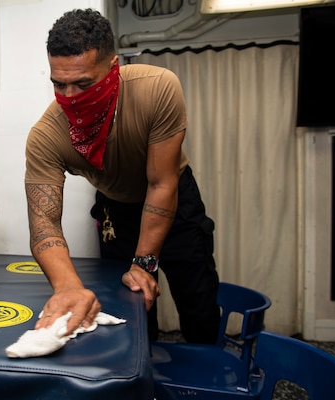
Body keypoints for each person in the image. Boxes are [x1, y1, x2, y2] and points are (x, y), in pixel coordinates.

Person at [25, 8, 220, 344]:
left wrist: (145, 262)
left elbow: (161, 182)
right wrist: (69, 287)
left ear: (113, 68)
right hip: (116, 207)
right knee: (132, 311)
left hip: (174, 198)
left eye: (83, 84)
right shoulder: (46, 135)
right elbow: (45, 223)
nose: (70, 97)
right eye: (59, 84)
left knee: (198, 302)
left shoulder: (157, 88)